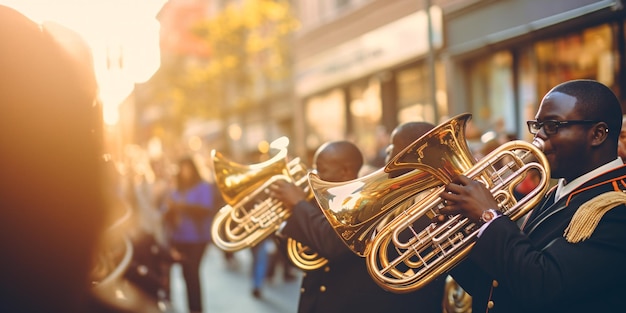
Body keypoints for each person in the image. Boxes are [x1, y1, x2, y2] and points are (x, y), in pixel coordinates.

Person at [438, 79, 626, 312]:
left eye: (553, 126)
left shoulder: (618, 207)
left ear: (597, 134)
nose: (538, 138)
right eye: (538, 126)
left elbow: (544, 284)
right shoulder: (554, 193)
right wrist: (451, 235)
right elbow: (502, 283)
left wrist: (488, 216)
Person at [270, 139, 443, 313]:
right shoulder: (321, 202)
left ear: (345, 171)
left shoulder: (367, 201)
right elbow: (304, 255)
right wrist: (287, 217)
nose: (314, 176)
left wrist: (299, 205)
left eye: (321, 170)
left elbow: (331, 244)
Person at [162, 156, 217, 313]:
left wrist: (181, 206)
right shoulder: (177, 189)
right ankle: (191, 308)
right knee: (186, 274)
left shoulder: (203, 187)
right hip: (179, 237)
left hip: (197, 238)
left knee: (192, 272)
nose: (185, 172)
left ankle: (196, 309)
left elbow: (205, 208)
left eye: (188, 168)